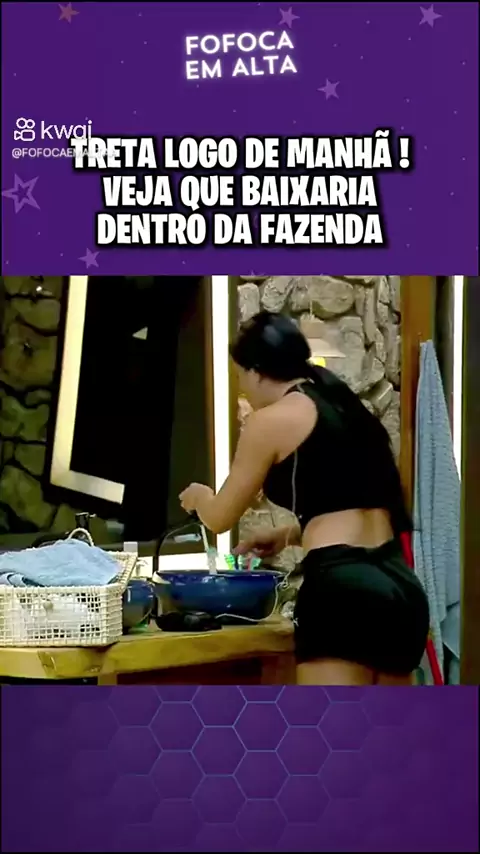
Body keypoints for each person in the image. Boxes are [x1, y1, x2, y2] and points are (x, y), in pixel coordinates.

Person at [179, 310, 430, 686]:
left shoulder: (270, 421)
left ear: (257, 371)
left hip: (343, 593)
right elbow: (354, 506)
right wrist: (287, 536)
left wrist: (200, 497)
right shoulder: (345, 407)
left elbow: (219, 517)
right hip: (399, 587)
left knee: (331, 724)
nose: (242, 389)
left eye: (240, 376)